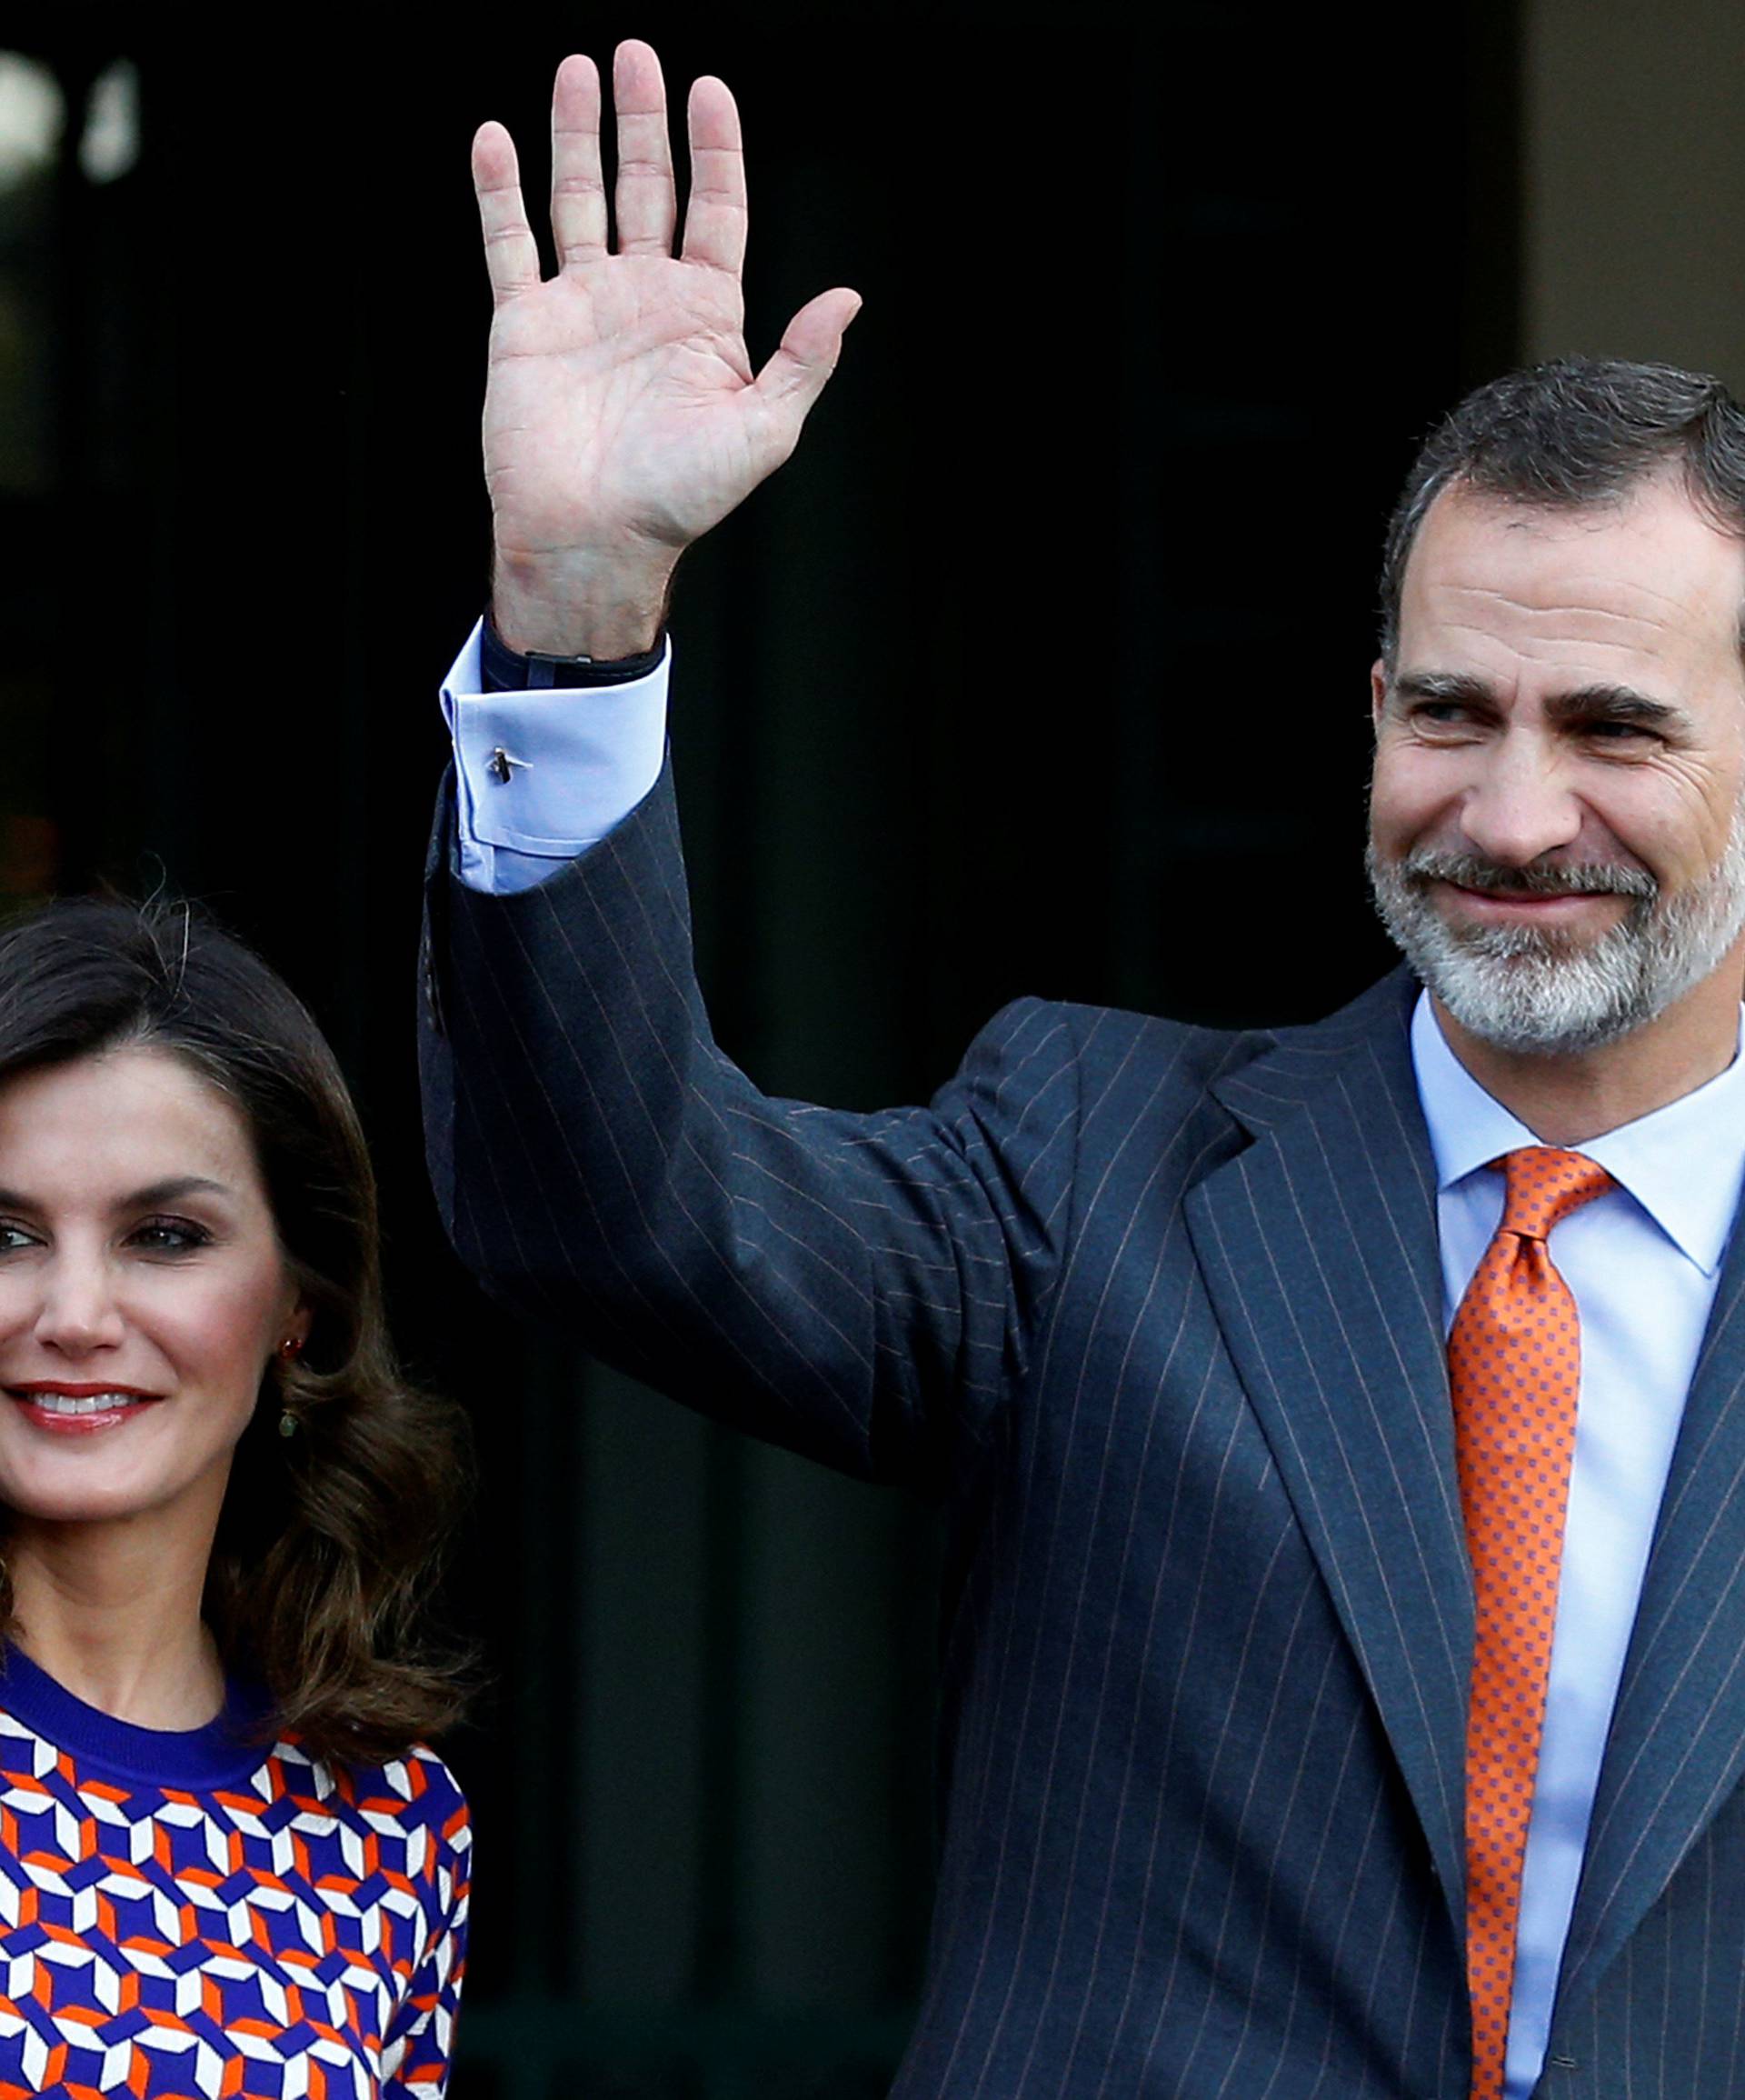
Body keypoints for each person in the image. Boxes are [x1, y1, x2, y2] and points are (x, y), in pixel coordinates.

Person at [418, 39, 1745, 2100]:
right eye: (1450, 711)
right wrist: (578, 618)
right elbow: (619, 1205)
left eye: (1616, 729)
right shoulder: (1089, 1162)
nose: (1509, 808)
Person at [0, 897, 472, 2098]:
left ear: (295, 1305)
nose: (76, 1314)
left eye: (163, 1234)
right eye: (7, 1234)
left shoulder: (387, 1826)